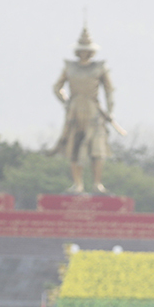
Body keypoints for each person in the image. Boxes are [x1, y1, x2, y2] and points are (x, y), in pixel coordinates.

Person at [52, 27, 115, 194]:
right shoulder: (69, 68)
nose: (84, 53)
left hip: (94, 110)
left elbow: (109, 90)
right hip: (75, 111)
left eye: (87, 51)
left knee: (97, 148)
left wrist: (110, 110)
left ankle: (97, 183)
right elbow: (57, 87)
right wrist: (66, 102)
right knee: (74, 146)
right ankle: (77, 184)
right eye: (82, 51)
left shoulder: (100, 67)